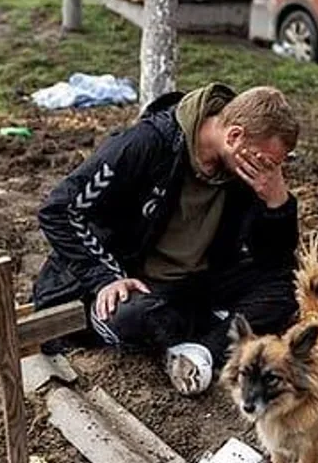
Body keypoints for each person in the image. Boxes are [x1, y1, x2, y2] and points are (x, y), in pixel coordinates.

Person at [32, 83, 301, 396]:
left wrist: (277, 202)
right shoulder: (146, 145)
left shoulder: (246, 171)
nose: (270, 170)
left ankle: (200, 353)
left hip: (196, 282)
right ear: (234, 136)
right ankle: (195, 331)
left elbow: (274, 260)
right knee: (134, 316)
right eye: (266, 161)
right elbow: (59, 209)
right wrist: (104, 277)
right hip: (134, 282)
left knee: (285, 287)